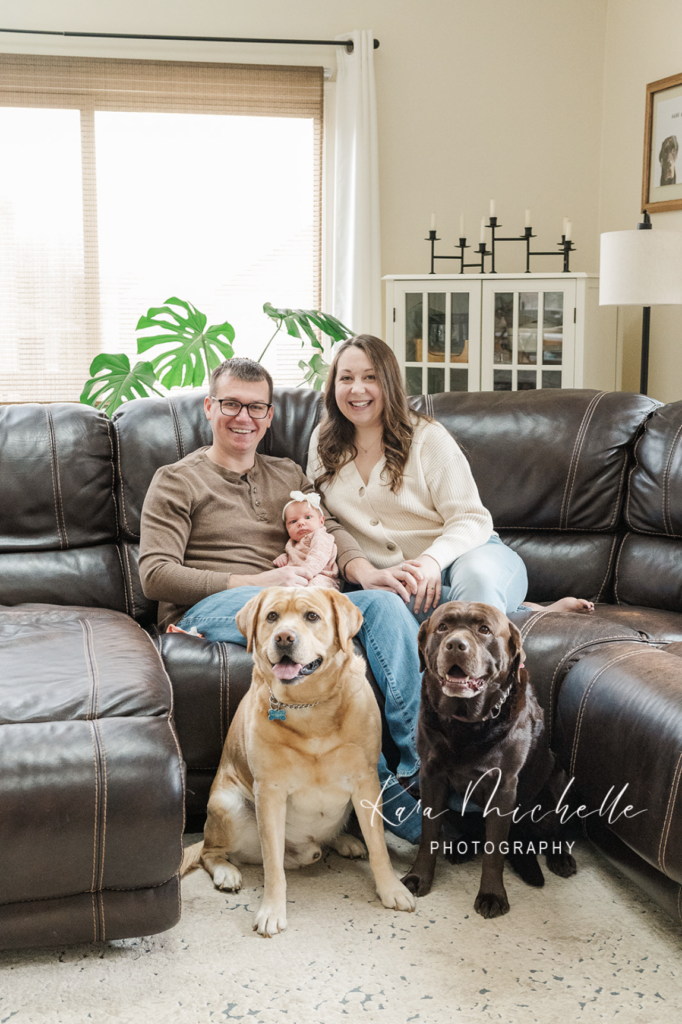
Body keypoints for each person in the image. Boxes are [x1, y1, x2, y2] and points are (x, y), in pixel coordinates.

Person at [138, 356, 424, 843]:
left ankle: (419, 761)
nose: (243, 417)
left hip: (292, 598)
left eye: (255, 407)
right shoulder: (176, 479)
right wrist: (257, 584)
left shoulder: (287, 472)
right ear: (209, 407)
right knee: (327, 643)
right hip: (212, 607)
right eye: (230, 404)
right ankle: (394, 805)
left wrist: (364, 572)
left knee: (386, 607)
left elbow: (330, 527)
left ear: (270, 416)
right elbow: (155, 575)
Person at [306, 334, 594, 621]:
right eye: (345, 378)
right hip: (402, 581)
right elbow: (320, 520)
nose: (357, 389)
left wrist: (432, 560)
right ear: (333, 386)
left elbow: (471, 518)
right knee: (386, 603)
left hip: (468, 556)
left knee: (477, 581)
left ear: (390, 384)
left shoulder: (426, 437)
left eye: (370, 377)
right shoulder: (323, 441)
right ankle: (524, 614)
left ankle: (494, 657)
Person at [273, 490, 340, 590]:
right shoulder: (292, 543)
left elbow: (319, 555)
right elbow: (295, 556)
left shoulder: (321, 536)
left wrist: (304, 573)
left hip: (323, 577)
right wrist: (284, 557)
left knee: (313, 587)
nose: (300, 523)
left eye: (308, 517)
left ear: (321, 521)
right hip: (298, 579)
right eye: (293, 521)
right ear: (286, 527)